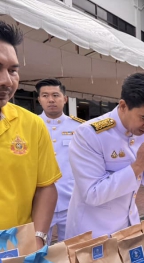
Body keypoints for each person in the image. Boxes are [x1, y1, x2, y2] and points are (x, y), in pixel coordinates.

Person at [65, 72, 144, 238]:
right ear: (123, 106)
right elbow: (92, 194)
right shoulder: (89, 134)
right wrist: (138, 165)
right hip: (94, 231)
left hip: (129, 225)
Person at [0, 21, 61, 248]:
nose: (6, 80)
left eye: (13, 70)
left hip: (16, 252)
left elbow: (45, 186)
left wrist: (38, 239)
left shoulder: (32, 124)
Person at [36, 78, 84, 244]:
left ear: (65, 99)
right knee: (38, 251)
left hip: (70, 200)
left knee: (71, 248)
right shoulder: (30, 125)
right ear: (39, 99)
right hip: (38, 201)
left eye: (56, 95)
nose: (51, 100)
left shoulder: (79, 128)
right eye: (45, 95)